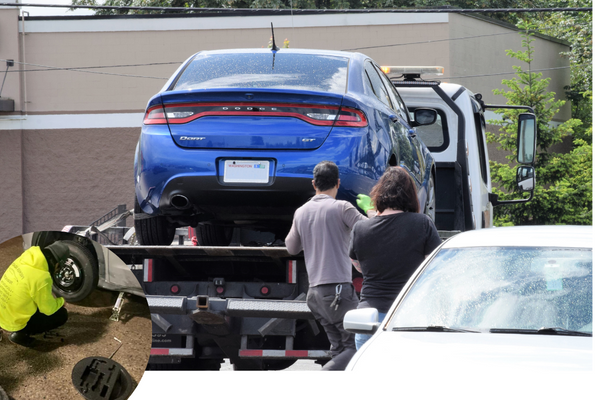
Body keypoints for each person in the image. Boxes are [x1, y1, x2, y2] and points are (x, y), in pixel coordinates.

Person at [285, 161, 374, 370]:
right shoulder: (342, 207)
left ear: (313, 183)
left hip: (314, 295)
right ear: (338, 183)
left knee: (339, 348)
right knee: (357, 346)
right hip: (338, 292)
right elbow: (372, 231)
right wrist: (371, 210)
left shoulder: (301, 212)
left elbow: (291, 248)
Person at [350, 167, 442, 349]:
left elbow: (358, 266)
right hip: (409, 317)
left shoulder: (360, 229)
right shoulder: (422, 224)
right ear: (410, 195)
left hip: (368, 320)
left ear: (379, 194)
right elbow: (434, 266)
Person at [0, 241, 70, 347]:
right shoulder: (42, 277)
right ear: (57, 263)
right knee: (62, 315)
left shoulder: (25, 259)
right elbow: (48, 309)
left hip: (2, 310)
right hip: (14, 321)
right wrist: (61, 301)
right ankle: (20, 334)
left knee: (29, 296)